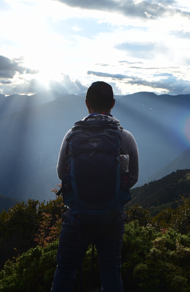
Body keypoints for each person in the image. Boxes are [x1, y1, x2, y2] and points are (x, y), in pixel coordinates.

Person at [51, 81, 139, 292]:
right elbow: (133, 177)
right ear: (113, 104)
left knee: (65, 271)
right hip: (111, 217)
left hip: (77, 217)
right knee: (111, 273)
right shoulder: (125, 137)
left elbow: (61, 173)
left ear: (86, 103)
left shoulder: (71, 135)